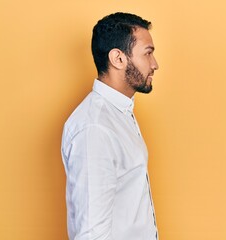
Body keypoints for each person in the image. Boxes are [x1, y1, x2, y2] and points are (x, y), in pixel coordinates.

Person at [61, 12, 159, 240]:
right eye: (148, 54)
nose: (155, 64)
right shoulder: (95, 128)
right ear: (118, 59)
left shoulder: (119, 113)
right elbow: (92, 235)